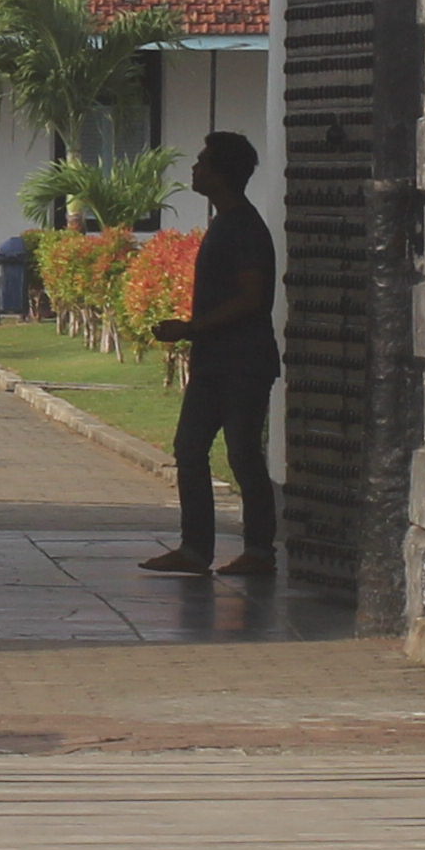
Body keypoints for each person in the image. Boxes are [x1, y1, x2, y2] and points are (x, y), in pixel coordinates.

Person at [134, 131, 281, 579]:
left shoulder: (244, 228)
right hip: (215, 360)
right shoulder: (225, 224)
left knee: (242, 452)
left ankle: (259, 549)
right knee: (190, 447)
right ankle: (195, 547)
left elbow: (252, 297)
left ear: (220, 173)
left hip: (242, 361)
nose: (195, 169)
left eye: (202, 163)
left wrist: (192, 327)